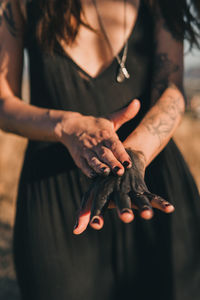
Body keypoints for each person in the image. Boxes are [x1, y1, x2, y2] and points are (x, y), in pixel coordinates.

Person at [0, 0, 200, 299]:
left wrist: (134, 156)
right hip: (56, 201)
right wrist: (67, 126)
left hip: (151, 182)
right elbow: (4, 104)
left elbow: (171, 90)